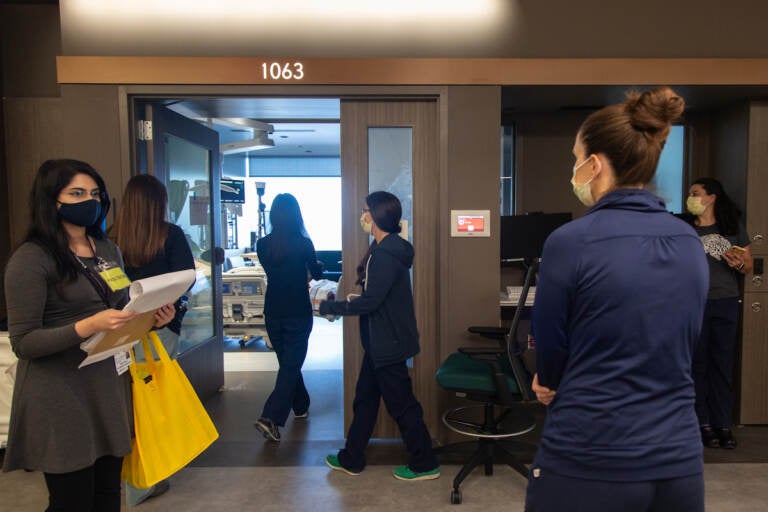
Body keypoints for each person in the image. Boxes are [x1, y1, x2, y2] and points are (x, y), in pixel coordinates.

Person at [526, 88, 709, 511]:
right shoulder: (687, 240)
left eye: (576, 159)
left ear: (595, 164)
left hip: (590, 453)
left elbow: (550, 343)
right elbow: (684, 337)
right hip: (677, 458)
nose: (573, 170)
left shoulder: (569, 241)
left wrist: (546, 382)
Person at [2, 159, 174, 512]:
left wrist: (153, 318)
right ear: (52, 200)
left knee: (108, 496)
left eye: (95, 193)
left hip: (107, 389)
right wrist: (88, 326)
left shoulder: (107, 251)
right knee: (72, 501)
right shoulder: (31, 259)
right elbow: (24, 342)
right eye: (77, 193)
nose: (89, 201)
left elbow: (123, 308)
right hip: (60, 397)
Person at [318, 191, 440, 481]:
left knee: (401, 405)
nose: (362, 216)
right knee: (365, 400)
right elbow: (378, 297)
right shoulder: (386, 249)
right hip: (381, 341)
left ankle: (424, 464)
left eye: (365, 211)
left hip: (387, 343)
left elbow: (372, 302)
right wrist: (354, 298)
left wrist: (330, 306)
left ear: (376, 215)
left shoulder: (384, 254)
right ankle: (352, 457)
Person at [111, 173, 196, 506]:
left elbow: (108, 288)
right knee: (156, 405)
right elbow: (186, 278)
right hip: (161, 328)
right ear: (159, 203)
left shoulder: (109, 240)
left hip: (121, 332)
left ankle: (131, 477)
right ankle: (149, 477)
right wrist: (167, 305)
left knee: (129, 405)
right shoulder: (170, 235)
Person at [684, 177, 753, 450]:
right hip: (694, 304)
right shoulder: (685, 229)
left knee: (722, 365)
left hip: (725, 301)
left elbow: (747, 266)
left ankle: (722, 424)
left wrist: (739, 262)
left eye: (696, 193)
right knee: (697, 365)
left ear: (711, 197)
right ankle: (702, 424)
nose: (691, 197)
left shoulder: (731, 227)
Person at [254, 193, 324, 441]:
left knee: (288, 363)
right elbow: (316, 273)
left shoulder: (262, 245)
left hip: (273, 311)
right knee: (291, 364)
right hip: (297, 310)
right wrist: (315, 266)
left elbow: (276, 269)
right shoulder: (303, 243)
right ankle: (270, 417)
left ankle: (301, 404)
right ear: (297, 215)